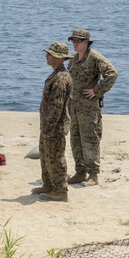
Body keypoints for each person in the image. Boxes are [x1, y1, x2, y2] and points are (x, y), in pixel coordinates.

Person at [66, 28, 118, 186]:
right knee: (76, 139)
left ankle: (93, 175)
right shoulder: (74, 59)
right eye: (73, 41)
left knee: (90, 140)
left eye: (78, 41)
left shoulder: (94, 57)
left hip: (89, 108)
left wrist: (96, 91)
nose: (75, 44)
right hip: (74, 106)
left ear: (87, 42)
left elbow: (112, 73)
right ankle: (80, 172)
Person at [34, 42, 73, 202]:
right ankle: (49, 185)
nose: (46, 56)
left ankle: (60, 190)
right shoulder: (57, 75)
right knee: (46, 155)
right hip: (49, 125)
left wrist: (48, 128)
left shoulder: (61, 79)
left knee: (55, 157)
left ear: (57, 57)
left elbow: (56, 107)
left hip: (54, 127)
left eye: (49, 54)